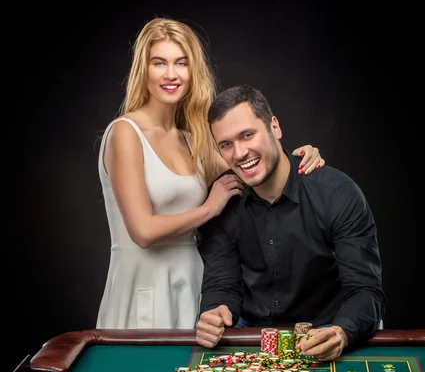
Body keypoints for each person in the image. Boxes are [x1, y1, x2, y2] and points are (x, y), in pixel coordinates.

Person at [96, 18, 325, 330]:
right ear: (143, 70)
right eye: (159, 62)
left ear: (193, 71)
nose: (171, 74)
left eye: (181, 63)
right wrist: (208, 208)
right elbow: (143, 232)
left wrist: (299, 154)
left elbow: (251, 165)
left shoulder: (193, 139)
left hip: (193, 281)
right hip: (144, 286)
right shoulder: (125, 132)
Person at [196, 85, 386, 361]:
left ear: (274, 127)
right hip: (251, 333)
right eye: (226, 144)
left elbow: (366, 290)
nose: (239, 153)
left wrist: (342, 332)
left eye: (247, 135)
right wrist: (215, 311)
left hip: (326, 329)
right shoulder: (223, 198)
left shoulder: (337, 193)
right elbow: (222, 285)